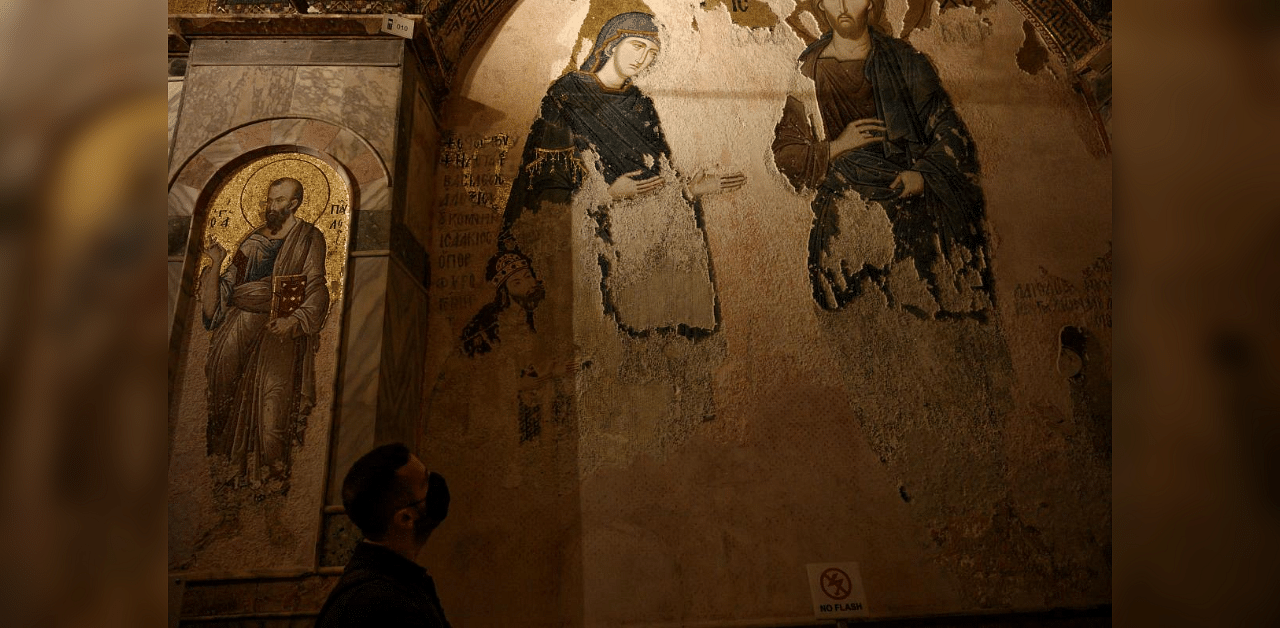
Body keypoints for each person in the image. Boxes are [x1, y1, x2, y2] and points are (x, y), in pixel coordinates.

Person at [499, 11, 746, 336]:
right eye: (637, 45)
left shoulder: (641, 105)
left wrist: (687, 190)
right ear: (611, 43)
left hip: (652, 249)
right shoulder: (566, 95)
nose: (642, 59)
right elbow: (546, 184)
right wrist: (606, 194)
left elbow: (655, 180)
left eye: (652, 53)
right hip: (601, 247)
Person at [772, 0, 993, 319]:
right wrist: (837, 146)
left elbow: (949, 130)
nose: (844, 6)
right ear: (821, 5)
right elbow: (786, 156)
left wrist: (923, 177)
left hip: (911, 202)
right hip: (847, 208)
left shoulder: (906, 61)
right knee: (857, 321)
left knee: (930, 314)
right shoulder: (807, 71)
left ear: (872, 4)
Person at [200, 177, 329, 491]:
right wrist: (215, 266)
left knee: (273, 407)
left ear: (294, 204)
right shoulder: (252, 240)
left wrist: (295, 319)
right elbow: (231, 282)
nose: (271, 206)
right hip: (239, 321)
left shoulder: (308, 237)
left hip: (279, 327)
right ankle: (225, 477)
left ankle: (271, 481)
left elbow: (317, 287)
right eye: (270, 200)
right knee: (221, 380)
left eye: (279, 200)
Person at [316, 443, 452, 628]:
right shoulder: (382, 605)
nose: (436, 484)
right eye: (426, 482)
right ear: (405, 518)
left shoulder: (398, 584)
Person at [460, 250, 545, 357]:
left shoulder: (538, 315)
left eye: (528, 276)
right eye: (517, 282)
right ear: (505, 292)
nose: (529, 284)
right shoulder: (488, 328)